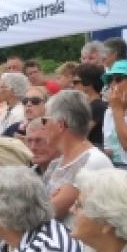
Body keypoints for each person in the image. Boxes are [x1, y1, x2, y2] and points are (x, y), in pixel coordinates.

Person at [40, 90, 113, 220]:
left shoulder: (92, 161)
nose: (43, 127)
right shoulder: (58, 161)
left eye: (44, 121)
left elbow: (49, 212)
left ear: (60, 125)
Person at [103, 59, 127, 168]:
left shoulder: (115, 109)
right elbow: (108, 147)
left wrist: (117, 109)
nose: (113, 84)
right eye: (110, 80)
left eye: (118, 79)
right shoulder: (110, 112)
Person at [74, 63, 107, 148]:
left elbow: (81, 134)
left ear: (88, 83)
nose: (73, 85)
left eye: (76, 82)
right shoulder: (88, 105)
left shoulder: (98, 106)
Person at [0, 73, 29, 140]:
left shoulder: (20, 113)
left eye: (2, 87)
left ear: (13, 90)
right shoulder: (7, 109)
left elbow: (6, 137)